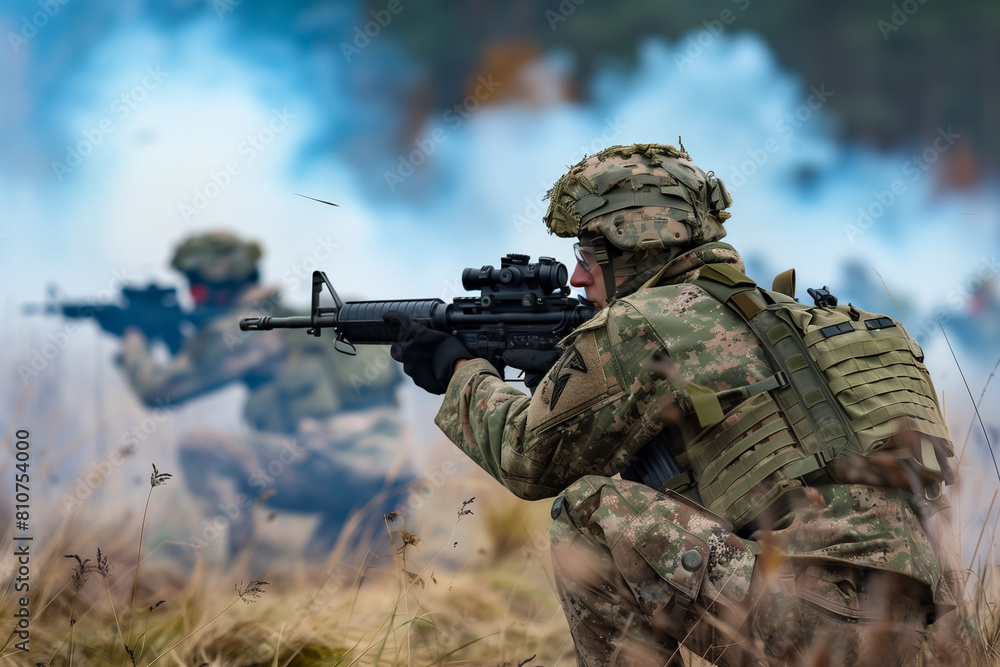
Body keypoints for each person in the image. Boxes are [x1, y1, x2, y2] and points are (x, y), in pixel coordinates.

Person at [385, 144, 959, 665]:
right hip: (928, 636)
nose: (580, 277)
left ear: (638, 248)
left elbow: (526, 461)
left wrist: (459, 372)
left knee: (587, 510)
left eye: (589, 254)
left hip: (809, 629)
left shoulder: (643, 325)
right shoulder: (820, 326)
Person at [119, 230, 408, 560]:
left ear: (212, 284)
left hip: (331, 468)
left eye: (194, 286)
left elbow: (158, 390)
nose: (192, 296)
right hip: (391, 477)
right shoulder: (299, 323)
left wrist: (133, 339)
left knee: (199, 448)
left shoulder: (247, 327)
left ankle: (242, 569)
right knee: (324, 578)